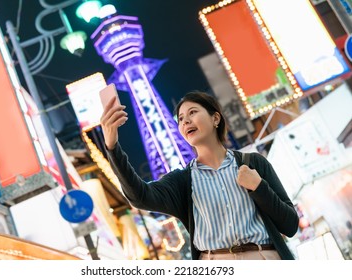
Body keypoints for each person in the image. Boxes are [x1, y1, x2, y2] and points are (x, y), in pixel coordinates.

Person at [100, 90, 299, 260]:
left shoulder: (254, 164)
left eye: (192, 112)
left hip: (264, 260)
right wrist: (111, 147)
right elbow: (139, 196)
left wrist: (259, 187)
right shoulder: (182, 182)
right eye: (180, 119)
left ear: (215, 118)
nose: (185, 120)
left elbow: (290, 225)